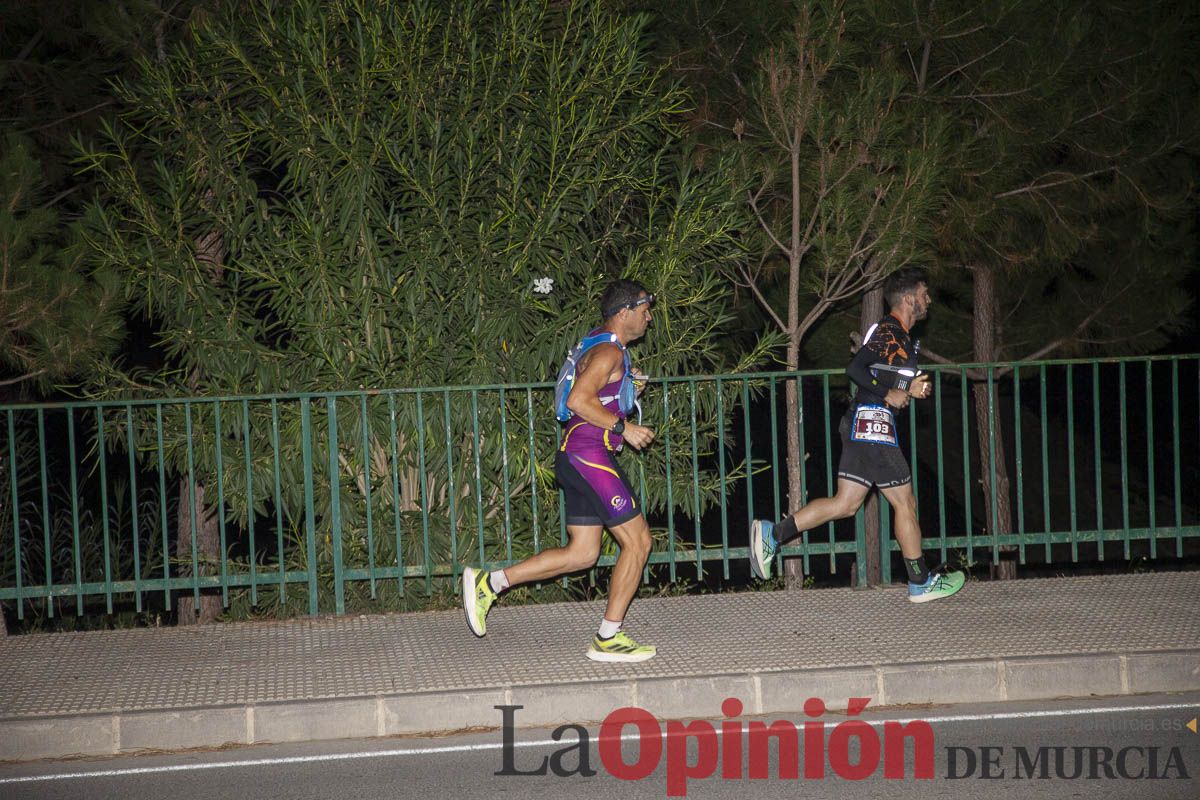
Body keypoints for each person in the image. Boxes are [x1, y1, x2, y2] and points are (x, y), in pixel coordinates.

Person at [462, 279, 659, 662]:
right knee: (639, 543)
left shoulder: (597, 343)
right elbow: (577, 400)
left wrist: (627, 394)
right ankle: (609, 637)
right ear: (624, 312)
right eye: (644, 309)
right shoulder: (608, 353)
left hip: (576, 455)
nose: (648, 317)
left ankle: (491, 583)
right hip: (591, 456)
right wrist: (624, 428)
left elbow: (593, 396)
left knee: (583, 553)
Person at [748, 267, 965, 603]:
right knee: (905, 502)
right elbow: (856, 369)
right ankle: (920, 581)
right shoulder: (890, 331)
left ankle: (773, 535)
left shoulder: (897, 335)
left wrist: (908, 387)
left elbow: (880, 374)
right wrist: (888, 394)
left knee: (845, 504)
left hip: (862, 423)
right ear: (908, 299)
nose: (929, 300)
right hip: (873, 425)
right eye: (924, 293)